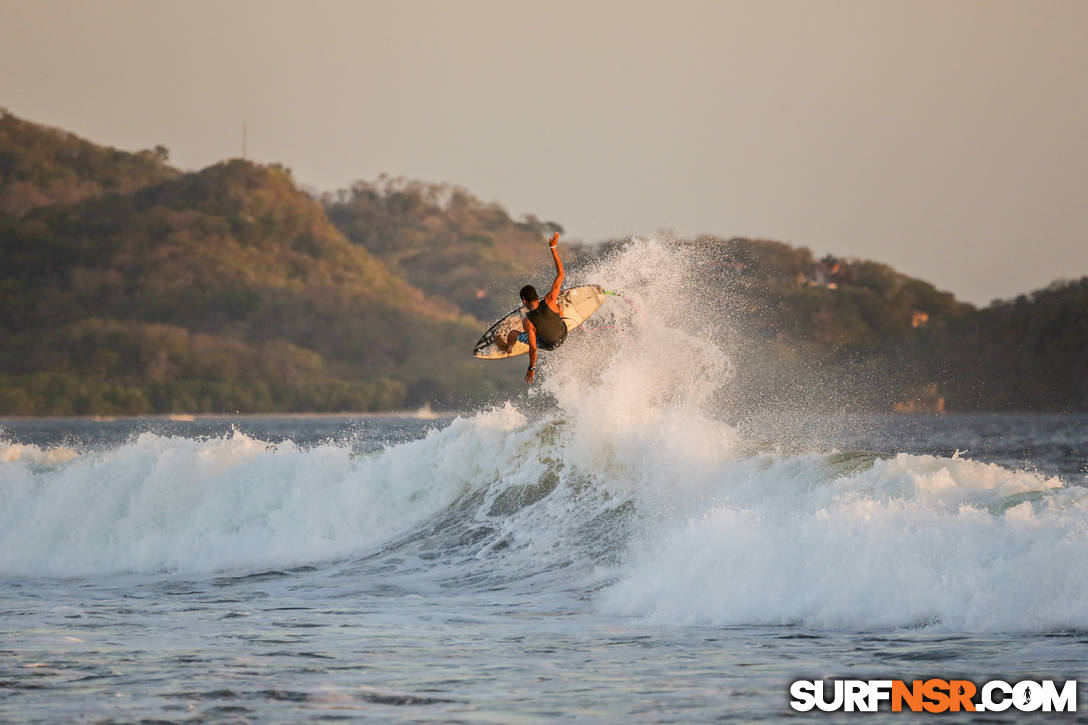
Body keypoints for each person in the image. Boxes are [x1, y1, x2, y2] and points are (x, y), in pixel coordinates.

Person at [496, 232, 566, 383]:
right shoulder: (549, 299)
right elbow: (561, 274)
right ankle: (559, 320)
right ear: (537, 295)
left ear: (524, 301)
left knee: (514, 333)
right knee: (559, 305)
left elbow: (533, 348)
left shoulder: (528, 321)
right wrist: (553, 248)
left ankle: (508, 347)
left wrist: (531, 369)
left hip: (549, 345)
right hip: (563, 335)